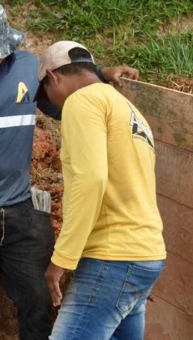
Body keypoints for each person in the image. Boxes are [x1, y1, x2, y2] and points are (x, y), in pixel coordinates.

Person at [0, 3, 139, 340]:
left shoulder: (28, 67)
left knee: (38, 297)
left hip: (20, 204)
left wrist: (103, 74)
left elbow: (62, 94)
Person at [38, 41, 166, 340]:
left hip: (113, 257)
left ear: (54, 77)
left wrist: (62, 258)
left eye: (46, 93)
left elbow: (91, 179)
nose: (52, 103)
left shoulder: (81, 102)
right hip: (145, 254)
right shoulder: (126, 107)